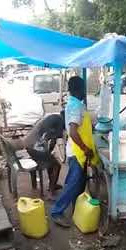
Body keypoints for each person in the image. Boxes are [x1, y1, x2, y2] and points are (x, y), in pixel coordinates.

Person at [51, 76, 95, 227]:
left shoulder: (75, 104)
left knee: (80, 183)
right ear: (79, 89)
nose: (85, 92)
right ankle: (57, 212)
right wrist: (85, 148)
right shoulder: (75, 106)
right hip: (77, 152)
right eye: (83, 88)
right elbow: (74, 132)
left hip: (78, 151)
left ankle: (77, 208)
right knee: (72, 183)